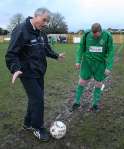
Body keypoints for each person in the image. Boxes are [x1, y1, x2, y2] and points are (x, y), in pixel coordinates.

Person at [5, 8, 65, 141]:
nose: (45, 23)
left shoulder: (40, 33)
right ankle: (37, 127)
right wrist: (15, 69)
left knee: (35, 99)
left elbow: (46, 48)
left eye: (47, 21)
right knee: (38, 99)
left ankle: (27, 123)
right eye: (44, 20)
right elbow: (11, 53)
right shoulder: (21, 30)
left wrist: (56, 55)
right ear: (35, 16)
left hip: (39, 71)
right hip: (26, 72)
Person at [71, 23, 114, 112]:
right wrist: (78, 61)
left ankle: (95, 104)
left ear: (100, 32)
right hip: (87, 63)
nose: (94, 37)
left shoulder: (108, 36)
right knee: (82, 81)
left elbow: (111, 52)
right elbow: (81, 48)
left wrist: (109, 67)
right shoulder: (86, 34)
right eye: (93, 35)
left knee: (98, 83)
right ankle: (76, 102)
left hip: (100, 64)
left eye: (96, 35)